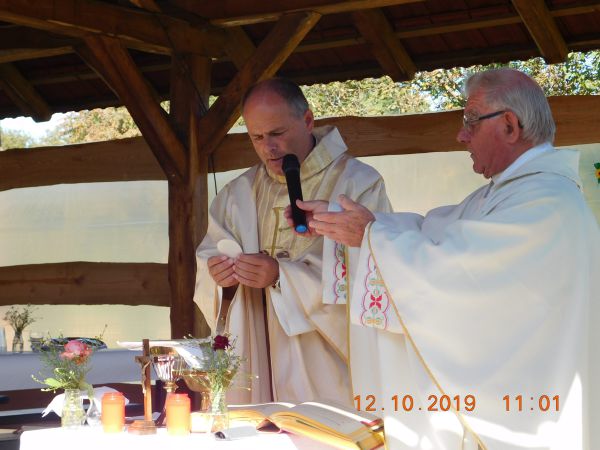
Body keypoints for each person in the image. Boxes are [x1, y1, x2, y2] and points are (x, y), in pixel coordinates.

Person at [291, 69, 600, 449]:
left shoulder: (546, 203)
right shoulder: (510, 192)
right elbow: (433, 233)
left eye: (471, 121)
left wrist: (369, 237)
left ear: (509, 125)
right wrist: (347, 223)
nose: (461, 135)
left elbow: (458, 274)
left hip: (528, 413)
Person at [193, 78, 392, 405]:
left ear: (308, 120)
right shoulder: (236, 195)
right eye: (257, 137)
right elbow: (207, 264)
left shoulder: (358, 184)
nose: (268, 148)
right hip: (255, 355)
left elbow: (372, 271)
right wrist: (221, 278)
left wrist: (281, 276)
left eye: (277, 133)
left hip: (325, 361)